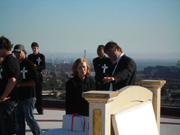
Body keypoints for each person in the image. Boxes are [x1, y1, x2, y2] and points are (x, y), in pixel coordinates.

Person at [13, 44, 41, 135]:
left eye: (19, 52)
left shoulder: (29, 65)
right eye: (15, 53)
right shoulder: (15, 65)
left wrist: (21, 84)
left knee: (30, 119)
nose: (17, 54)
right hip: (18, 97)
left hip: (28, 97)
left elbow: (35, 81)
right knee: (19, 120)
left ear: (24, 52)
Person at [0, 36, 20, 135]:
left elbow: (12, 80)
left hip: (8, 101)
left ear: (3, 48)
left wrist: (3, 96)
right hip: (9, 100)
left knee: (6, 128)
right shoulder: (10, 60)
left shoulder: (9, 61)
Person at [28, 42, 45, 114]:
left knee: (39, 93)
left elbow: (43, 66)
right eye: (33, 48)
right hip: (32, 76)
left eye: (35, 48)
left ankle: (39, 108)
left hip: (38, 75)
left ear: (38, 48)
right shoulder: (30, 57)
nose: (34, 49)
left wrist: (36, 67)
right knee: (31, 93)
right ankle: (31, 108)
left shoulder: (41, 56)